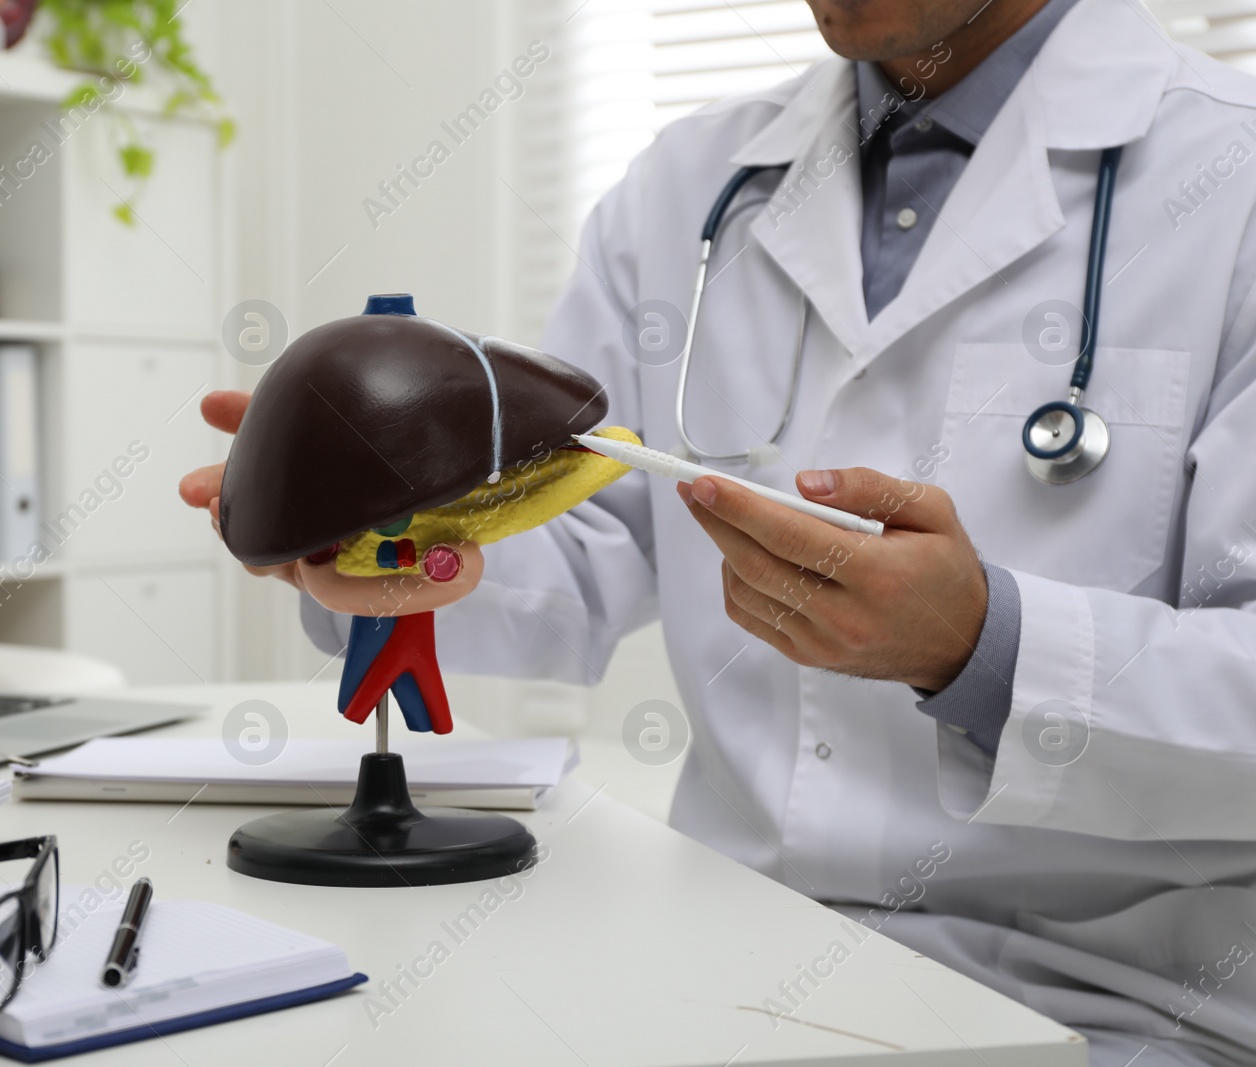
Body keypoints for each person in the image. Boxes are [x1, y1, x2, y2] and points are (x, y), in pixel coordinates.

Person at [182, 0, 1256, 1062]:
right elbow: (593, 535)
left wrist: (981, 648)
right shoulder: (688, 184)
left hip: (1106, 996)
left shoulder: (1229, 172)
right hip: (719, 947)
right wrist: (385, 531)